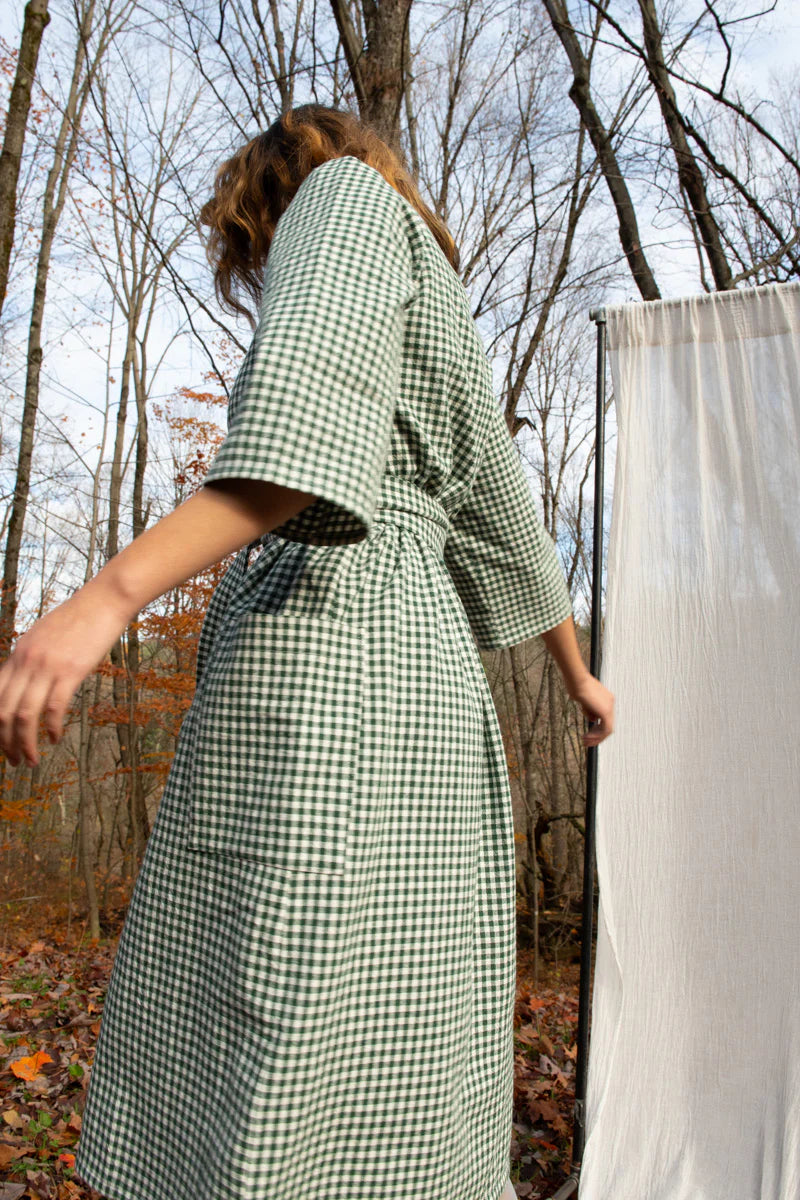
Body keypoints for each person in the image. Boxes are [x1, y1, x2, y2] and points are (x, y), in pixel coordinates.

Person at [0, 104, 614, 1200]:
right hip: (424, 678)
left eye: (247, 237)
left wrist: (103, 599)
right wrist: (575, 674)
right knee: (388, 1015)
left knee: (276, 982)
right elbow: (503, 515)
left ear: (270, 192)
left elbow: (301, 445)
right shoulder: (433, 287)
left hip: (333, 642)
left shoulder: (337, 201)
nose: (255, 260)